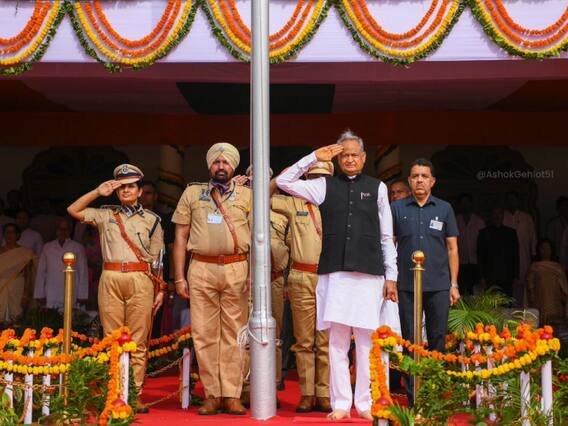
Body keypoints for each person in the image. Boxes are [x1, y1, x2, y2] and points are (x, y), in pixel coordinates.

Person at [277, 130, 398, 421]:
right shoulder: (324, 186)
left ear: (364, 158)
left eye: (355, 155)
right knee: (337, 342)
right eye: (345, 155)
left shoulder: (378, 187)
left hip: (369, 275)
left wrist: (391, 276)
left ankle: (365, 403)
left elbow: (386, 236)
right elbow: (284, 182)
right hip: (335, 275)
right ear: (338, 159)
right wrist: (312, 158)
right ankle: (341, 403)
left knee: (367, 342)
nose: (350, 160)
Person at [67, 164, 165, 413]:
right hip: (110, 277)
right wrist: (98, 191)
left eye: (131, 186)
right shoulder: (106, 214)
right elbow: (73, 210)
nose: (126, 191)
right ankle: (115, 393)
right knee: (112, 339)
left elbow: (157, 260)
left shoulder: (153, 220)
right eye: (121, 187)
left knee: (138, 341)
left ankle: (135, 394)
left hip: (141, 278)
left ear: (140, 191)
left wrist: (161, 289)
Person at [172, 142, 250, 416]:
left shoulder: (247, 195)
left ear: (234, 166)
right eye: (216, 162)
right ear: (209, 165)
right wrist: (179, 277)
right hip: (201, 268)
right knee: (204, 334)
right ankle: (212, 395)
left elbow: (258, 238)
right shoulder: (193, 193)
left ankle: (232, 395)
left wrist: (253, 275)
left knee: (234, 334)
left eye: (226, 162)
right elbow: (180, 237)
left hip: (236, 267)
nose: (221, 166)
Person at [390, 158, 460, 405]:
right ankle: (414, 399)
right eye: (415, 176)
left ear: (432, 181)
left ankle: (434, 396)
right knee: (410, 340)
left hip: (439, 285)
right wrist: (390, 280)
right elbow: (389, 245)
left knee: (438, 338)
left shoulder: (444, 208)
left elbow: (452, 248)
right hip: (406, 285)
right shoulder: (397, 209)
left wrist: (454, 284)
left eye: (424, 176)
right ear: (409, 181)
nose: (419, 180)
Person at [271, 161, 333, 413]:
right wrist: (294, 170)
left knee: (326, 340)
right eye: (313, 176)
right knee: (304, 340)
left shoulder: (337, 203)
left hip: (330, 277)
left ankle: (324, 393)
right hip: (301, 275)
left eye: (323, 177)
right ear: (306, 177)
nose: (318, 181)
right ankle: (307, 393)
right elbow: (265, 198)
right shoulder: (295, 202)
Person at [34, 218, 89, 310]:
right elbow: (41, 272)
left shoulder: (78, 247)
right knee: (52, 316)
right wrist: (39, 293)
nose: (62, 232)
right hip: (51, 291)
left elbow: (83, 273)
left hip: (72, 291)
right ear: (56, 230)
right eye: (60, 229)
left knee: (71, 315)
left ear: (70, 231)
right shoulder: (47, 247)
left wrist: (82, 295)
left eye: (65, 229)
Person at [477, 207, 519, 298]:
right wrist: (481, 277)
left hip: (507, 277)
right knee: (492, 304)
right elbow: (480, 257)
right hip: (490, 277)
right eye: (495, 214)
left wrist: (516, 276)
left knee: (507, 303)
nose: (497, 216)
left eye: (499, 213)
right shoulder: (484, 233)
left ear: (503, 216)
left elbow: (515, 256)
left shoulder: (511, 233)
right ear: (491, 216)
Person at [503, 191, 536, 305]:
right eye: (509, 199)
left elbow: (533, 237)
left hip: (524, 256)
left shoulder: (526, 217)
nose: (511, 202)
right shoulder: (504, 217)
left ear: (518, 201)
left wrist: (534, 254)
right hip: (507, 259)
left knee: (524, 285)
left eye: (513, 199)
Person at [526, 239, 568, 326]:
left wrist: (564, 296)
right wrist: (531, 295)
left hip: (554, 300)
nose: (545, 251)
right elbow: (530, 284)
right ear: (539, 250)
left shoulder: (558, 267)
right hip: (539, 299)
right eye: (543, 248)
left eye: (547, 248)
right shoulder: (534, 267)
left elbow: (564, 286)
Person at [0, 223, 36, 322]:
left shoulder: (25, 253)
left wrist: (26, 294)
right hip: (1, 288)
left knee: (16, 319)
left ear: (18, 235)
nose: (9, 235)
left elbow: (28, 275)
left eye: (12, 232)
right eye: (7, 232)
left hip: (17, 289)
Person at [456, 193, 485, 295]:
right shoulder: (455, 221)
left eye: (467, 202)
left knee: (475, 293)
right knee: (461, 291)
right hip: (460, 263)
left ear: (471, 204)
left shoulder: (479, 222)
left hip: (476, 263)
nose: (465, 205)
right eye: (463, 203)